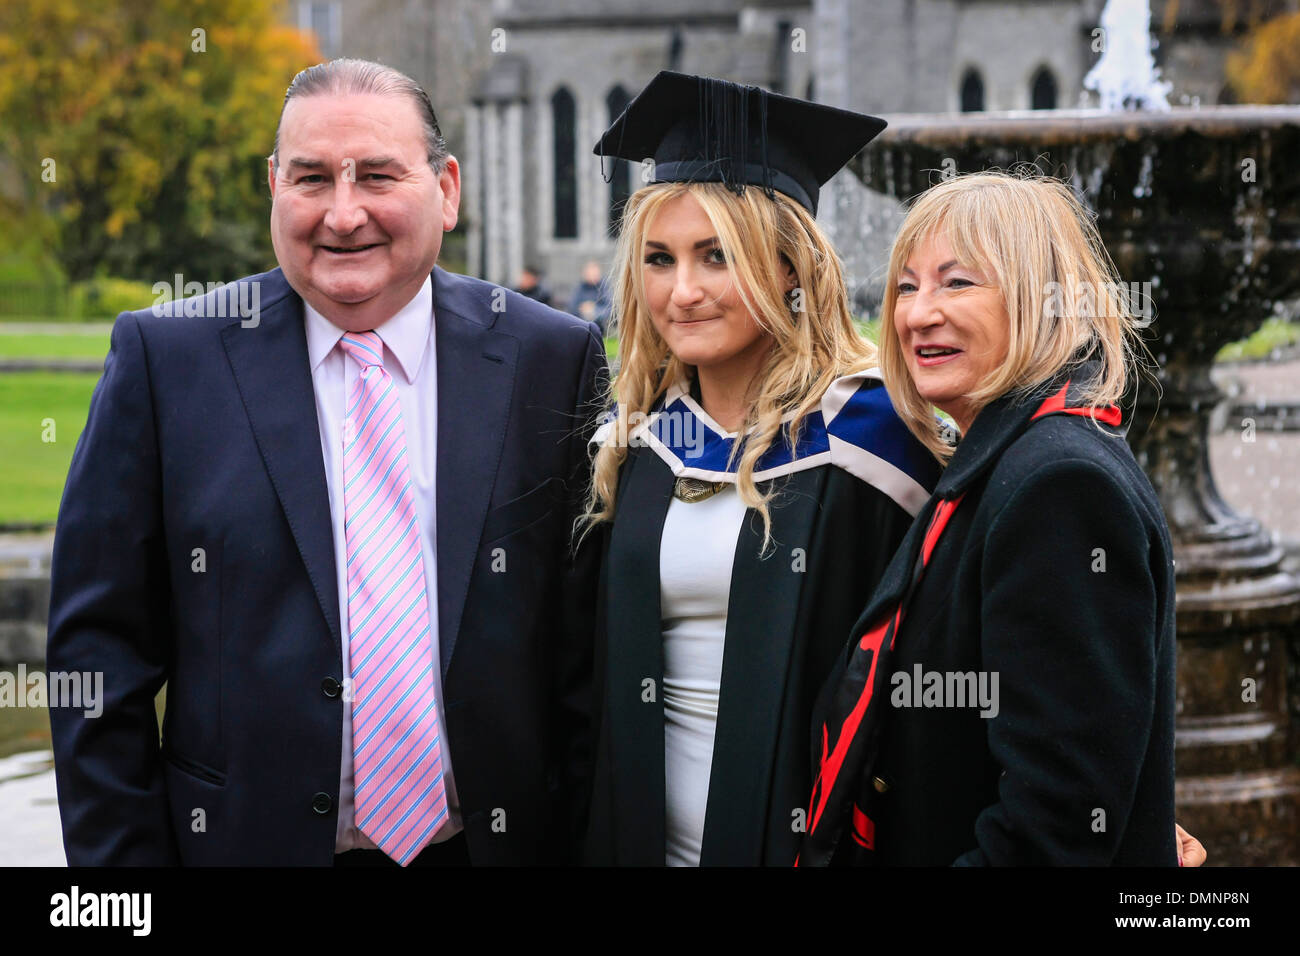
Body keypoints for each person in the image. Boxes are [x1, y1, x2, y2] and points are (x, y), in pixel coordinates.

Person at [45, 59, 606, 866]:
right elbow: (98, 663)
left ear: (446, 188)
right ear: (275, 187)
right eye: (311, 178)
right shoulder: (167, 362)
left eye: (377, 175)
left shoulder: (552, 360)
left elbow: (587, 662)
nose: (344, 215)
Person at [580, 71, 940, 866]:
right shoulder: (634, 444)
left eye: (717, 256)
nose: (683, 292)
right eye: (660, 259)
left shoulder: (876, 440)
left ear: (789, 268)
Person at [802, 171, 1179, 866]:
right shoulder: (1008, 455)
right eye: (907, 287)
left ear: (1041, 300)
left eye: (957, 283)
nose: (918, 314)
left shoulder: (1058, 484)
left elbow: (1055, 824)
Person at [568, 259, 613, 335]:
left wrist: (594, 310)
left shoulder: (605, 287)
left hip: (601, 327)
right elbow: (572, 308)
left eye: (594, 273)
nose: (592, 275)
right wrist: (583, 310)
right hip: (581, 324)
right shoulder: (579, 288)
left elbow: (610, 309)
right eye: (589, 273)